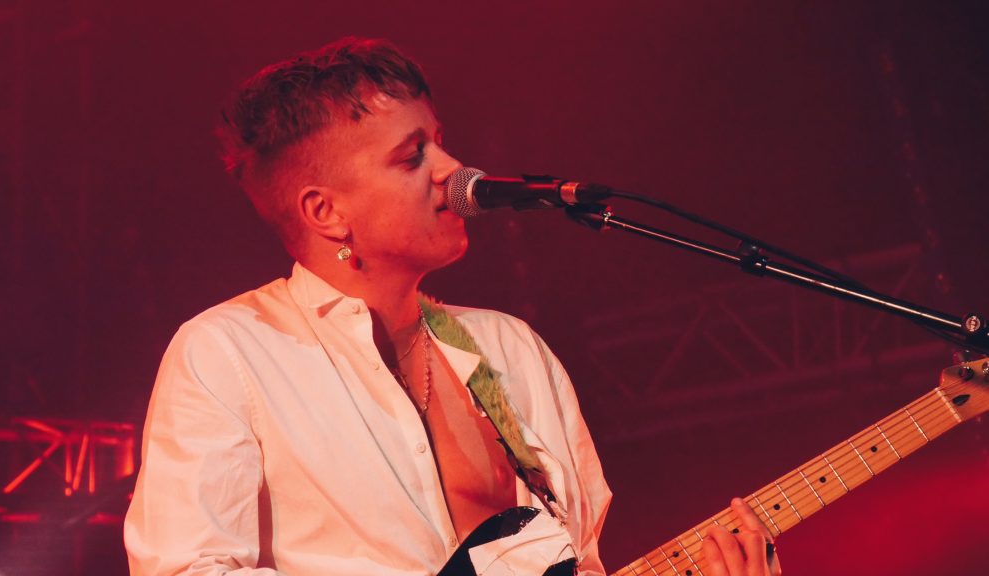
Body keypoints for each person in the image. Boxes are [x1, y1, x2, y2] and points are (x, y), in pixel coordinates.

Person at [123, 37, 781, 576]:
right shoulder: (230, 352)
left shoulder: (511, 350)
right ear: (326, 212)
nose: (454, 169)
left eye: (440, 141)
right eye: (413, 157)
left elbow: (581, 563)